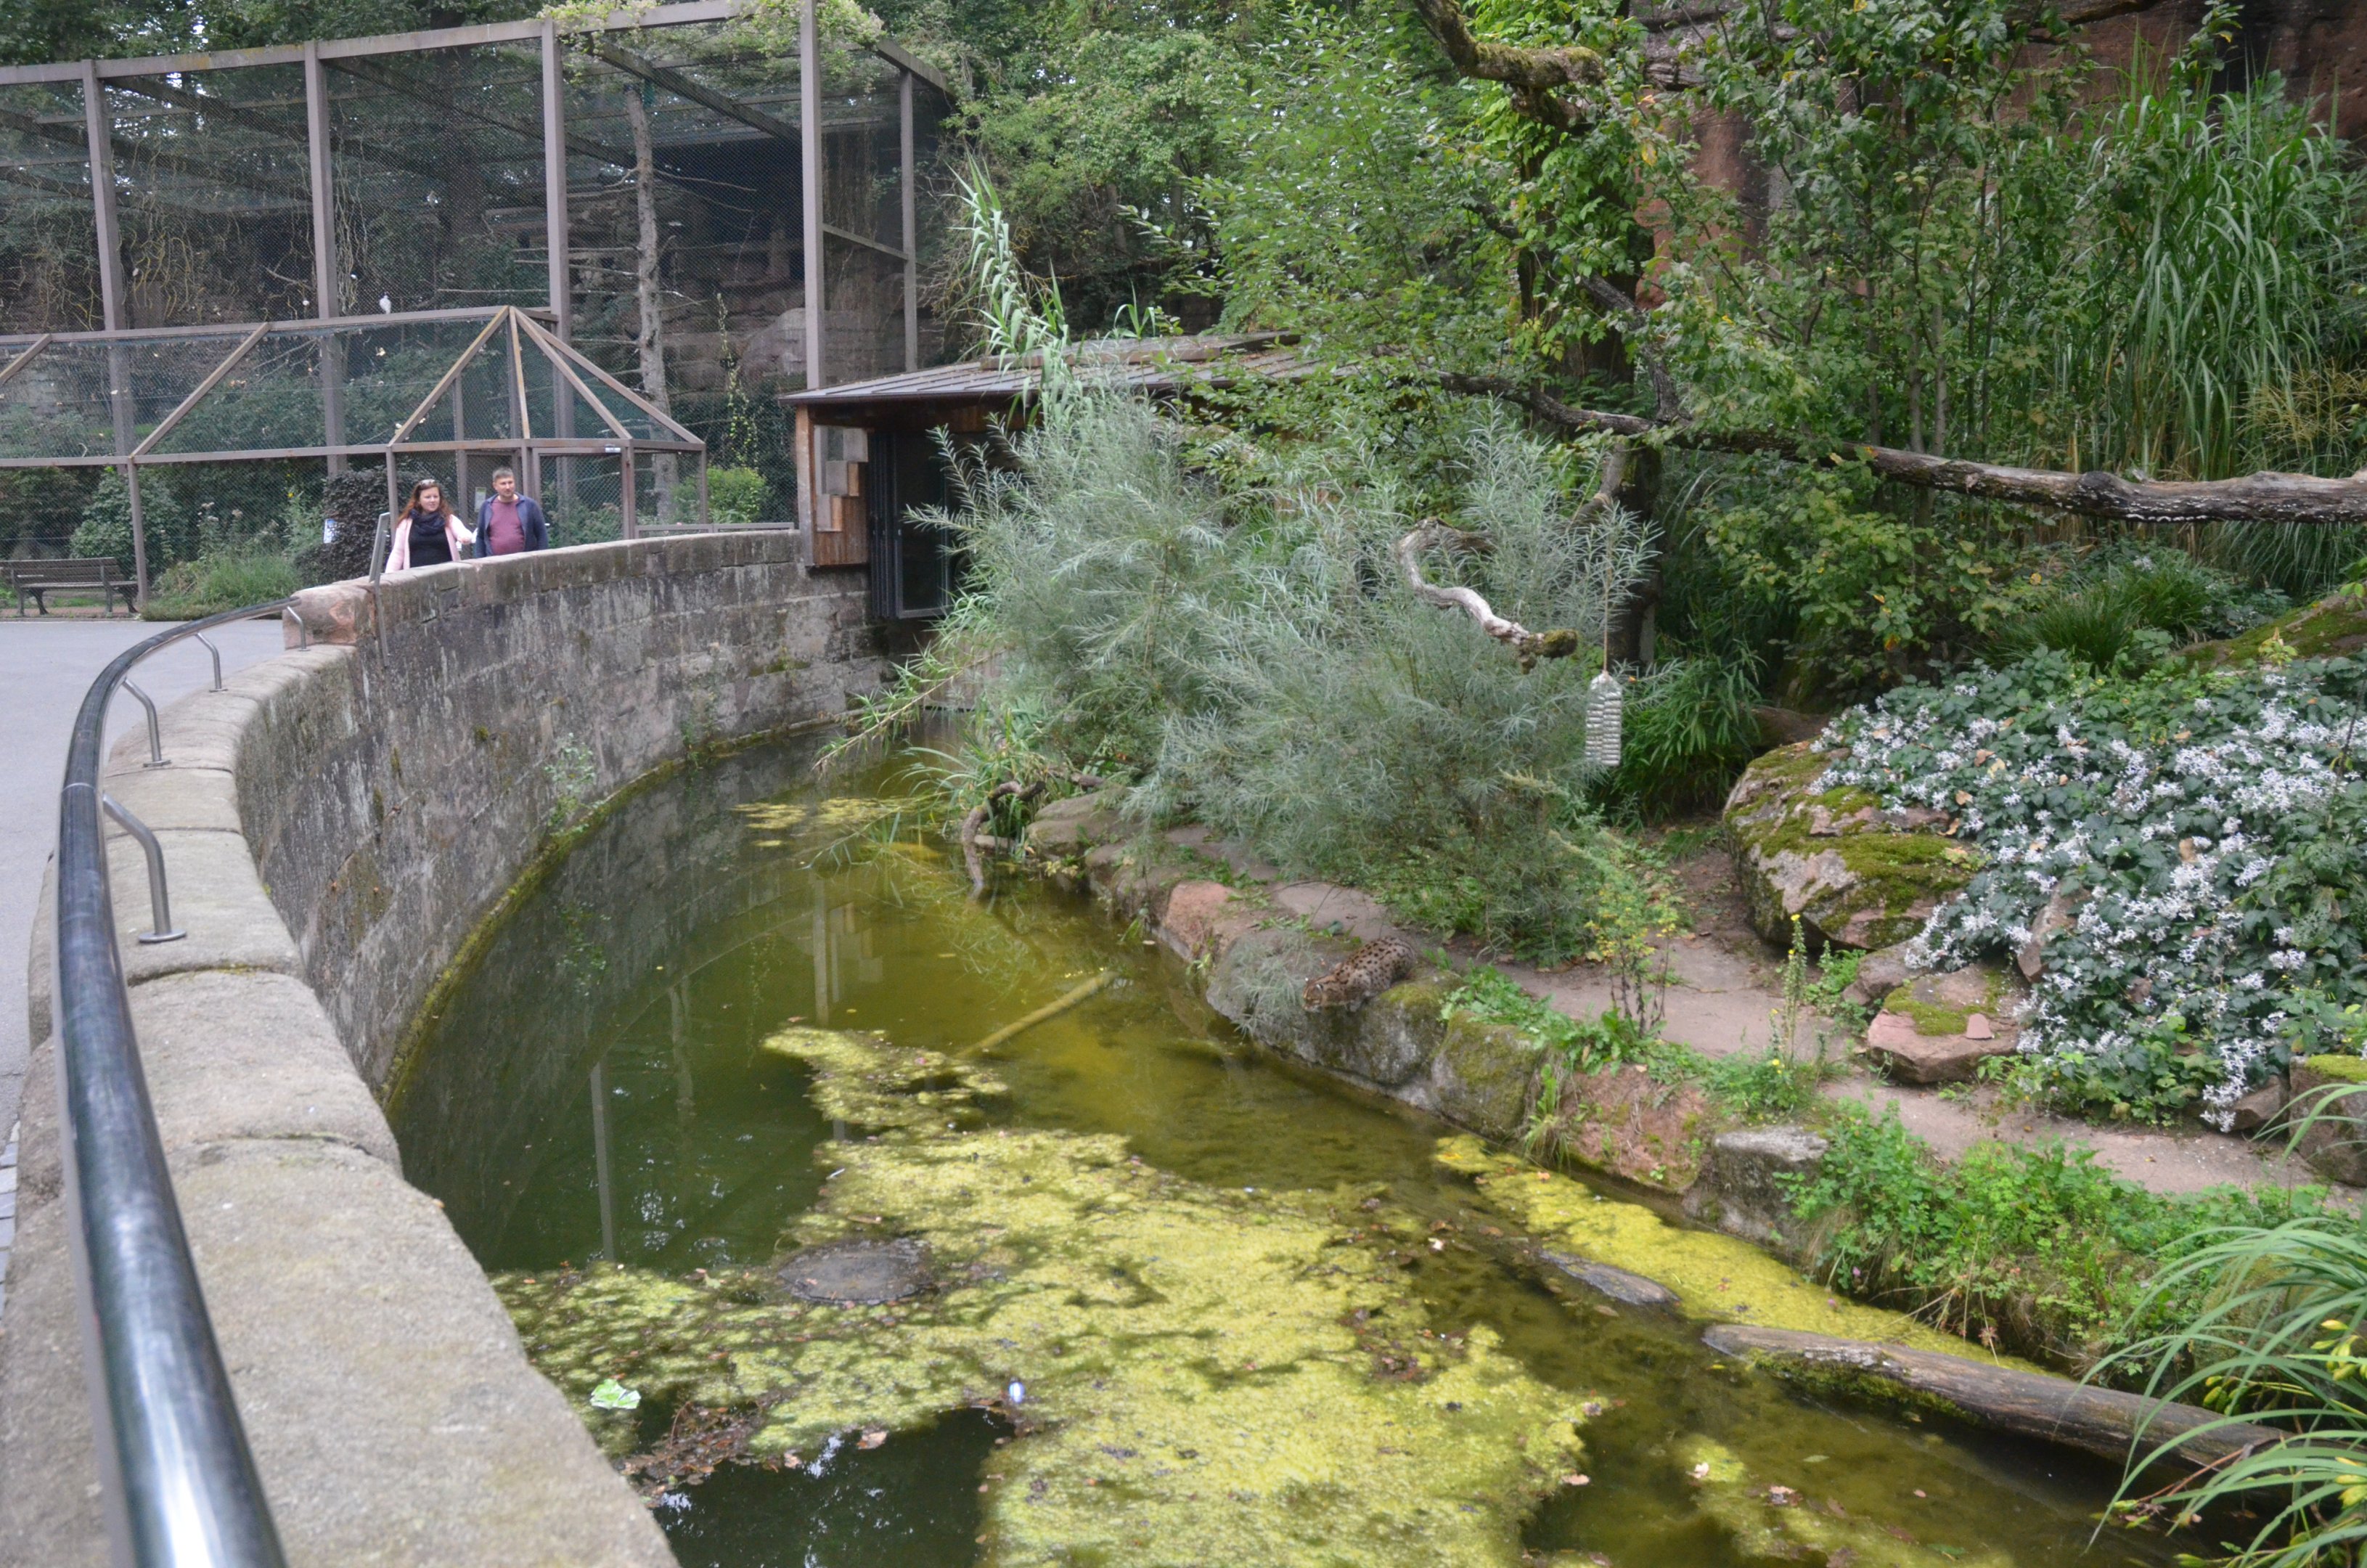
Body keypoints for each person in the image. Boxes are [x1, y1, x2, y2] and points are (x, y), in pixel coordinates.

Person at [384, 478, 474, 572]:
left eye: (436, 497)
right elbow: (398, 552)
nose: (433, 500)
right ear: (418, 500)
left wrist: (465, 537)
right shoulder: (406, 523)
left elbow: (462, 531)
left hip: (447, 577)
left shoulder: (448, 519)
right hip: (415, 578)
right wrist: (388, 576)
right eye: (428, 497)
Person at [475, 467, 549, 558]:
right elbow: (480, 537)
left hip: (525, 563)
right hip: (494, 564)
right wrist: (480, 562)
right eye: (503, 484)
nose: (508, 487)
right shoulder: (486, 507)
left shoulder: (529, 505)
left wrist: (541, 559)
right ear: (495, 486)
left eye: (510, 482)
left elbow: (542, 534)